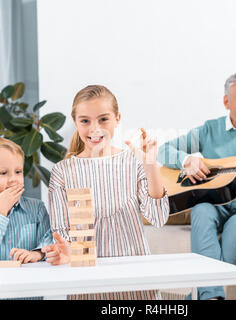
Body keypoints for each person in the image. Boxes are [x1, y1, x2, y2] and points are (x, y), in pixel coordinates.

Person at [157, 72, 236, 300]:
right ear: (227, 102)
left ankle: (202, 296)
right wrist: (187, 161)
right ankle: (212, 296)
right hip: (214, 203)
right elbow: (163, 150)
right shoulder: (209, 130)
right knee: (200, 210)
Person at [41, 84, 169, 300]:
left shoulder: (133, 162)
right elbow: (62, 232)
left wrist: (150, 166)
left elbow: (158, 218)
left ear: (117, 118)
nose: (95, 128)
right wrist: (66, 251)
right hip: (87, 284)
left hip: (135, 281)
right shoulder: (62, 172)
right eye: (85, 121)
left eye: (103, 119)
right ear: (75, 122)